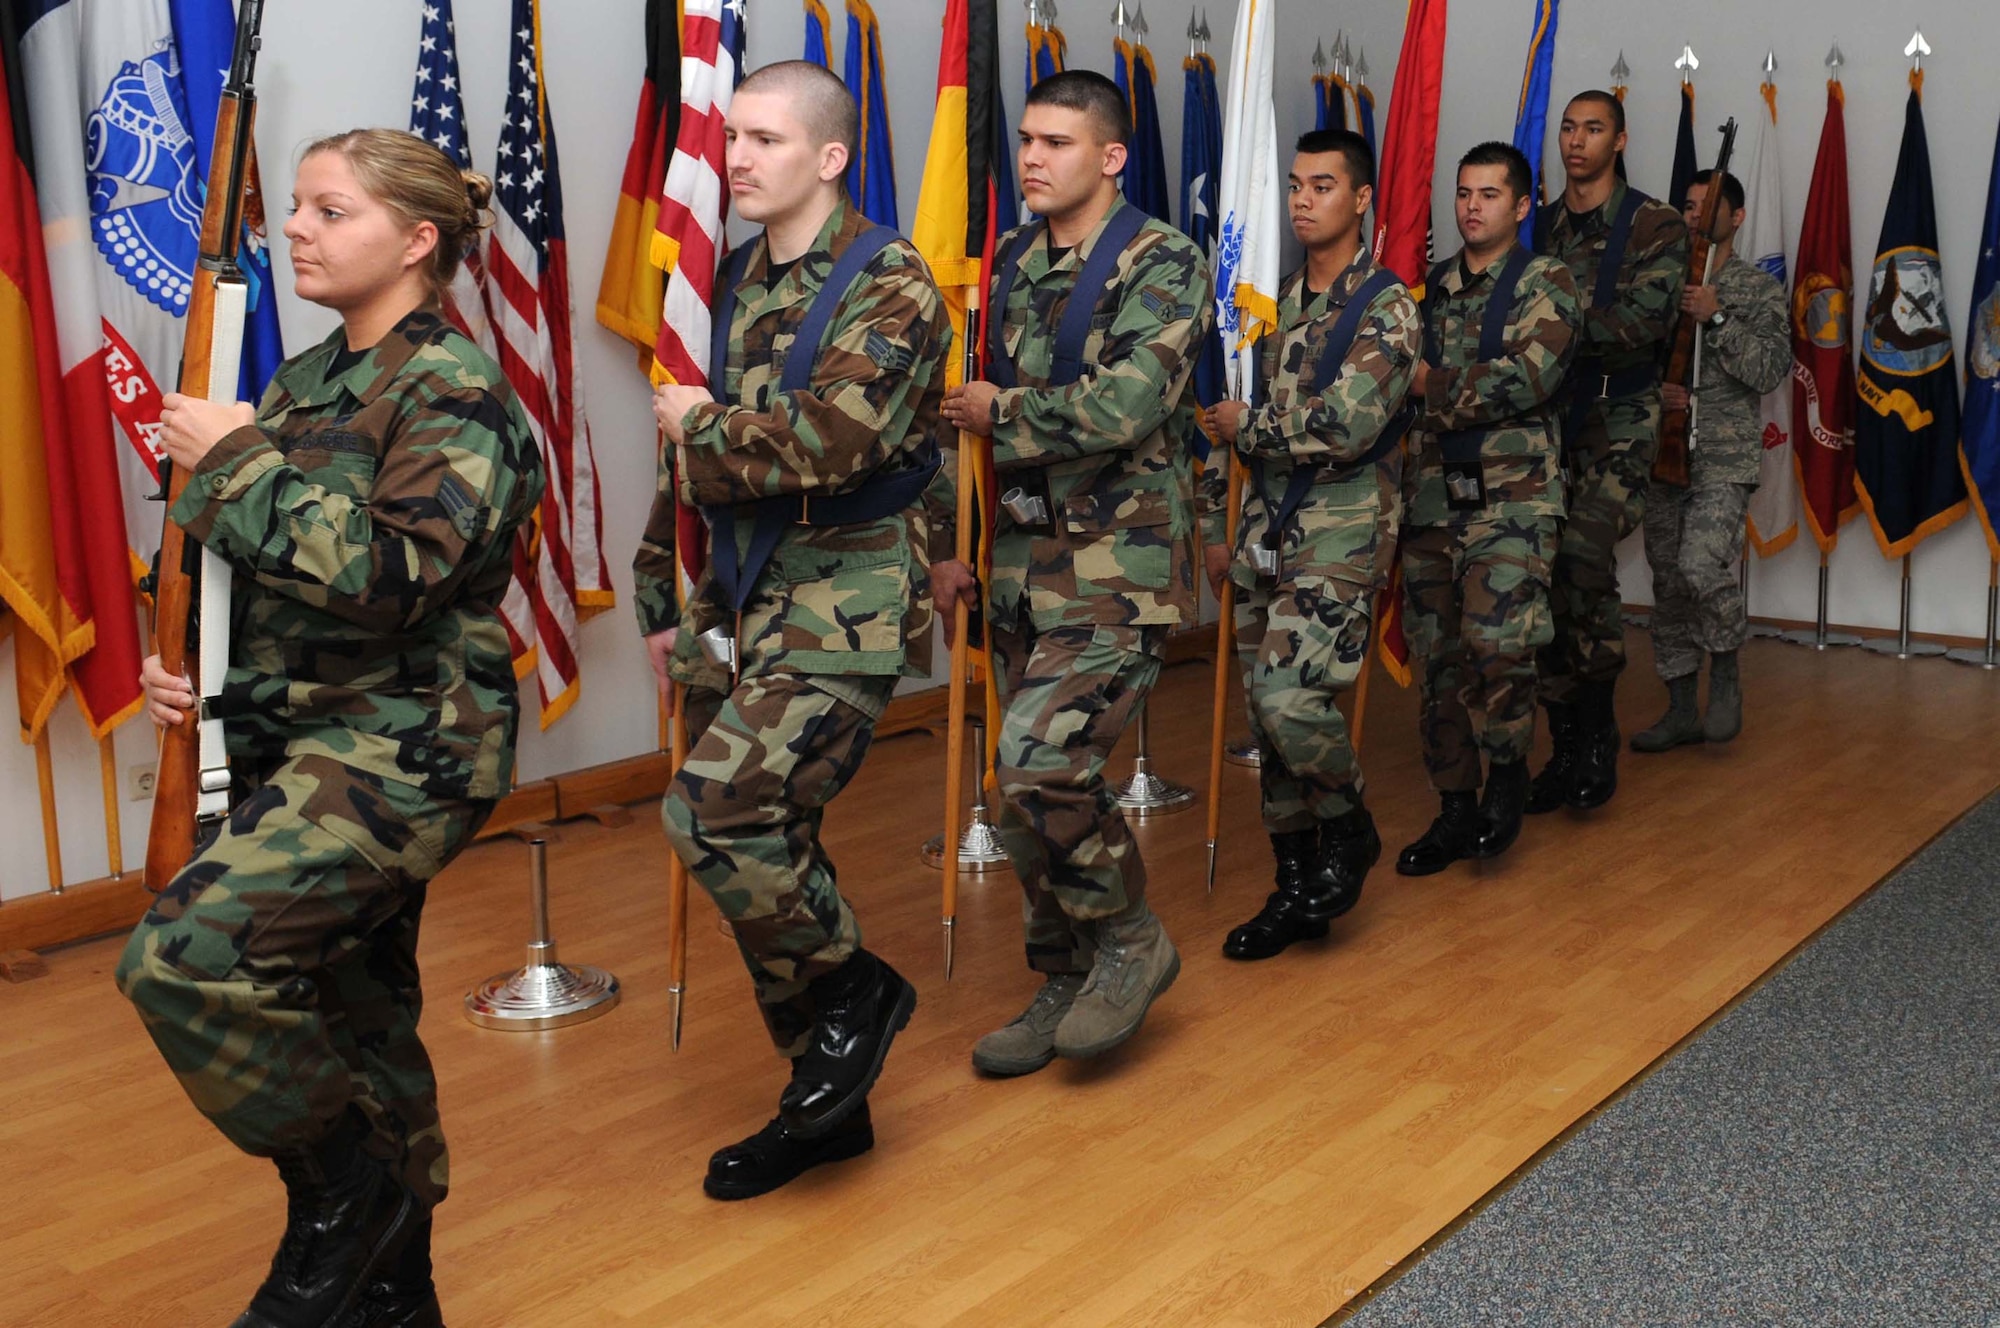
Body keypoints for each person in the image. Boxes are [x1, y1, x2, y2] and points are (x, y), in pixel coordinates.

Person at [116, 129, 542, 1328]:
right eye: (295, 208)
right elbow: (251, 574)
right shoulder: (307, 383)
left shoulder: (453, 391)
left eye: (327, 210)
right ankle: (392, 1292)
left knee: (183, 958)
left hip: (406, 743)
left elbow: (396, 576)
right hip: (295, 735)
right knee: (357, 1013)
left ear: (415, 241)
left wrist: (239, 459)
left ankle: (347, 1198)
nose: (295, 228)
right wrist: (192, 673)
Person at [639, 61, 948, 1199]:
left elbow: (839, 438)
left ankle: (854, 996)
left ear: (827, 156)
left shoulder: (890, 278)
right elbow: (675, 466)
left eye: (765, 139)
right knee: (777, 840)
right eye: (734, 138)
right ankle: (823, 1097)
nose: (738, 158)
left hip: (843, 596)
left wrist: (707, 422)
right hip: (736, 589)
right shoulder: (725, 288)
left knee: (716, 812)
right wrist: (662, 601)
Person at [933, 70, 1211, 1073]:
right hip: (1014, 560)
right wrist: (947, 542)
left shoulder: (1163, 261)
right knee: (1015, 792)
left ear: (1110, 155)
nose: (1032, 157)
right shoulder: (1007, 262)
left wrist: (997, 413)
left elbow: (1123, 406)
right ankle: (1064, 966)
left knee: (1048, 761)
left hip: (1114, 566)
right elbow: (954, 420)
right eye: (1025, 139)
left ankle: (1130, 937)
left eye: (1055, 141)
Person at [1197, 129, 1419, 957]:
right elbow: (1221, 420)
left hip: (1341, 527)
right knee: (1265, 712)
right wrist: (1219, 517)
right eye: (1293, 185)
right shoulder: (1267, 301)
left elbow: (1349, 425)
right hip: (1263, 529)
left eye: (1321, 186)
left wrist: (1248, 427)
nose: (1300, 200)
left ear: (1361, 200)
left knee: (1292, 697)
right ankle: (1295, 883)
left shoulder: (1385, 305)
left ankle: (1350, 825)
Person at [1397, 142, 1581, 876]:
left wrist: (1429, 386)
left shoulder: (1549, 281)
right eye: (1464, 194)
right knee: (1438, 657)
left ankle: (1507, 771)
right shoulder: (1430, 288)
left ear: (1522, 204)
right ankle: (1455, 806)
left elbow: (1529, 378)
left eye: (1490, 195)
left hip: (1515, 499)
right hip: (1433, 495)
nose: (1473, 207)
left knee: (1499, 644)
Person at [1529, 90, 1687, 815]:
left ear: (1619, 141)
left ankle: (1595, 739)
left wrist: (1551, 330)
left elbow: (1645, 323)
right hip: (1551, 415)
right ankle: (1563, 743)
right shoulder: (1540, 225)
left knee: (1586, 556)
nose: (1576, 141)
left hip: (1620, 410)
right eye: (1568, 127)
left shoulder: (1653, 223)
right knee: (1544, 570)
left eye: (1593, 129)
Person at [1632, 168, 1789, 751]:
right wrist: (1658, 392)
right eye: (1690, 205)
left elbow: (1769, 371)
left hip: (1724, 455)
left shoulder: (1757, 289)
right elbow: (1634, 358)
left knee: (1701, 565)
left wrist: (1717, 317)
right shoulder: (1662, 282)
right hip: (1664, 449)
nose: (1696, 214)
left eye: (1709, 205)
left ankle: (1724, 669)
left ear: (1737, 217)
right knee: (1670, 580)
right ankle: (1679, 709)